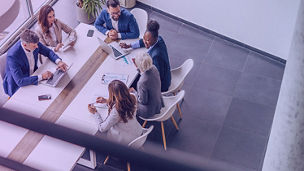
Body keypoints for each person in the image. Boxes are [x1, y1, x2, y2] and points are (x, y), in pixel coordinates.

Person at [3, 29, 68, 97]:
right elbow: (20, 81)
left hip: (34, 75)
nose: (37, 47)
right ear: (25, 45)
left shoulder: (34, 43)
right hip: (19, 85)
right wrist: (42, 76)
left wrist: (59, 62)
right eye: (34, 46)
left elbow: (48, 52)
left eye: (37, 44)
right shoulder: (13, 55)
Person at [120, 20, 171, 92]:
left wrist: (140, 68)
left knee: (132, 84)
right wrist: (129, 45)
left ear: (155, 38)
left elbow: (157, 77)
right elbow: (143, 41)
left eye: (148, 41)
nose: (145, 42)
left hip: (161, 85)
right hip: (162, 74)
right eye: (144, 38)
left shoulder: (156, 56)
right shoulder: (159, 39)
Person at [88, 80, 142, 144]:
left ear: (113, 94)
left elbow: (102, 128)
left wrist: (95, 113)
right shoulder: (133, 96)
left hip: (125, 140)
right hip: (137, 131)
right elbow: (122, 101)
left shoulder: (116, 111)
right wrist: (107, 101)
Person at [129, 52, 163, 118]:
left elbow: (143, 101)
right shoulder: (154, 68)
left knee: (127, 102)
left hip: (148, 111)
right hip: (158, 103)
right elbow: (144, 71)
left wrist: (134, 93)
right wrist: (138, 67)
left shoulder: (142, 82)